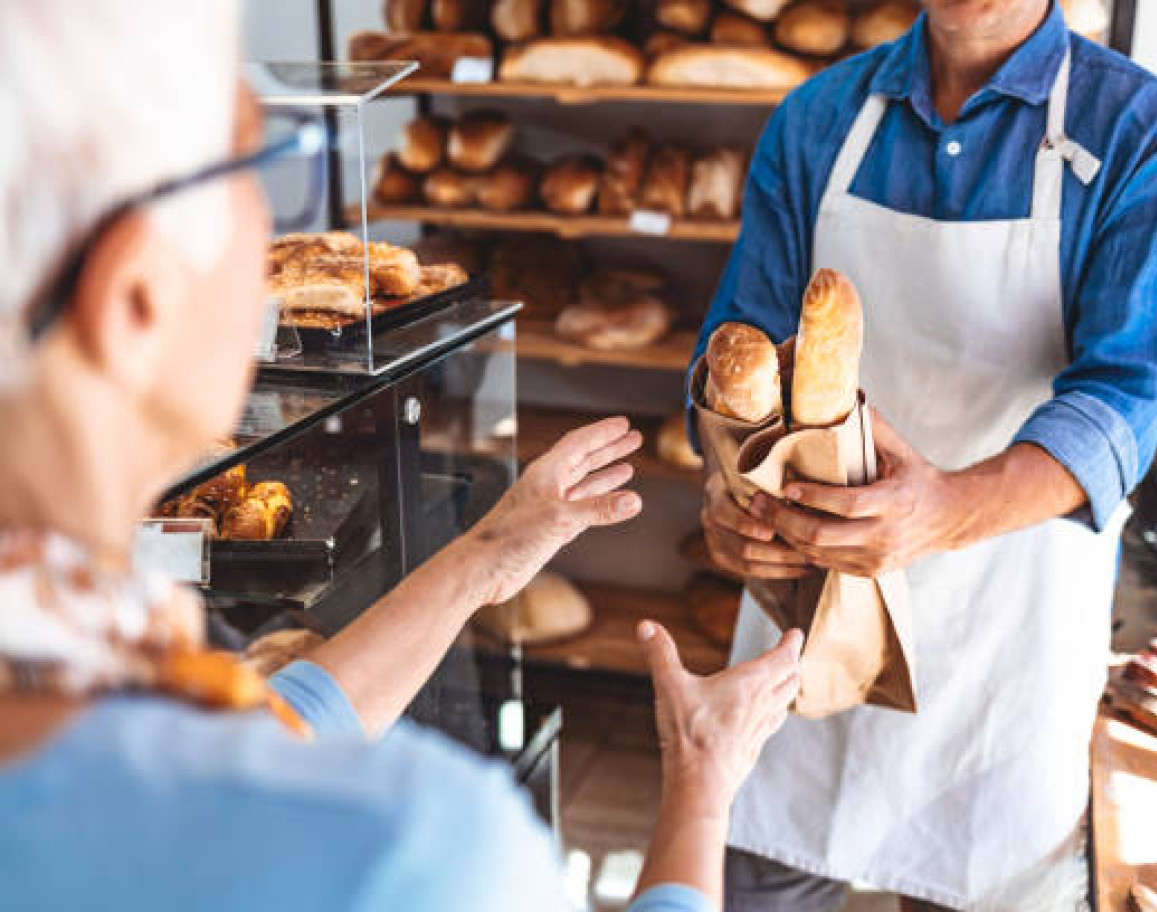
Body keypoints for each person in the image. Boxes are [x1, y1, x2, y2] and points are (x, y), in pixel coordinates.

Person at [0, 3, 802, 910]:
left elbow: (283, 729)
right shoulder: (408, 852)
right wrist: (701, 782)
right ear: (136, 295)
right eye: (255, 162)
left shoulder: (65, 674)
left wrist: (483, 559)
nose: (277, 231)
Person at [694, 1, 1157, 910]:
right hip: (810, 609)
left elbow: (1122, 400)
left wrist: (940, 510)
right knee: (761, 874)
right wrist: (731, 489)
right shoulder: (816, 118)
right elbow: (740, 354)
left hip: (1007, 634)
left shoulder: (1145, 134)